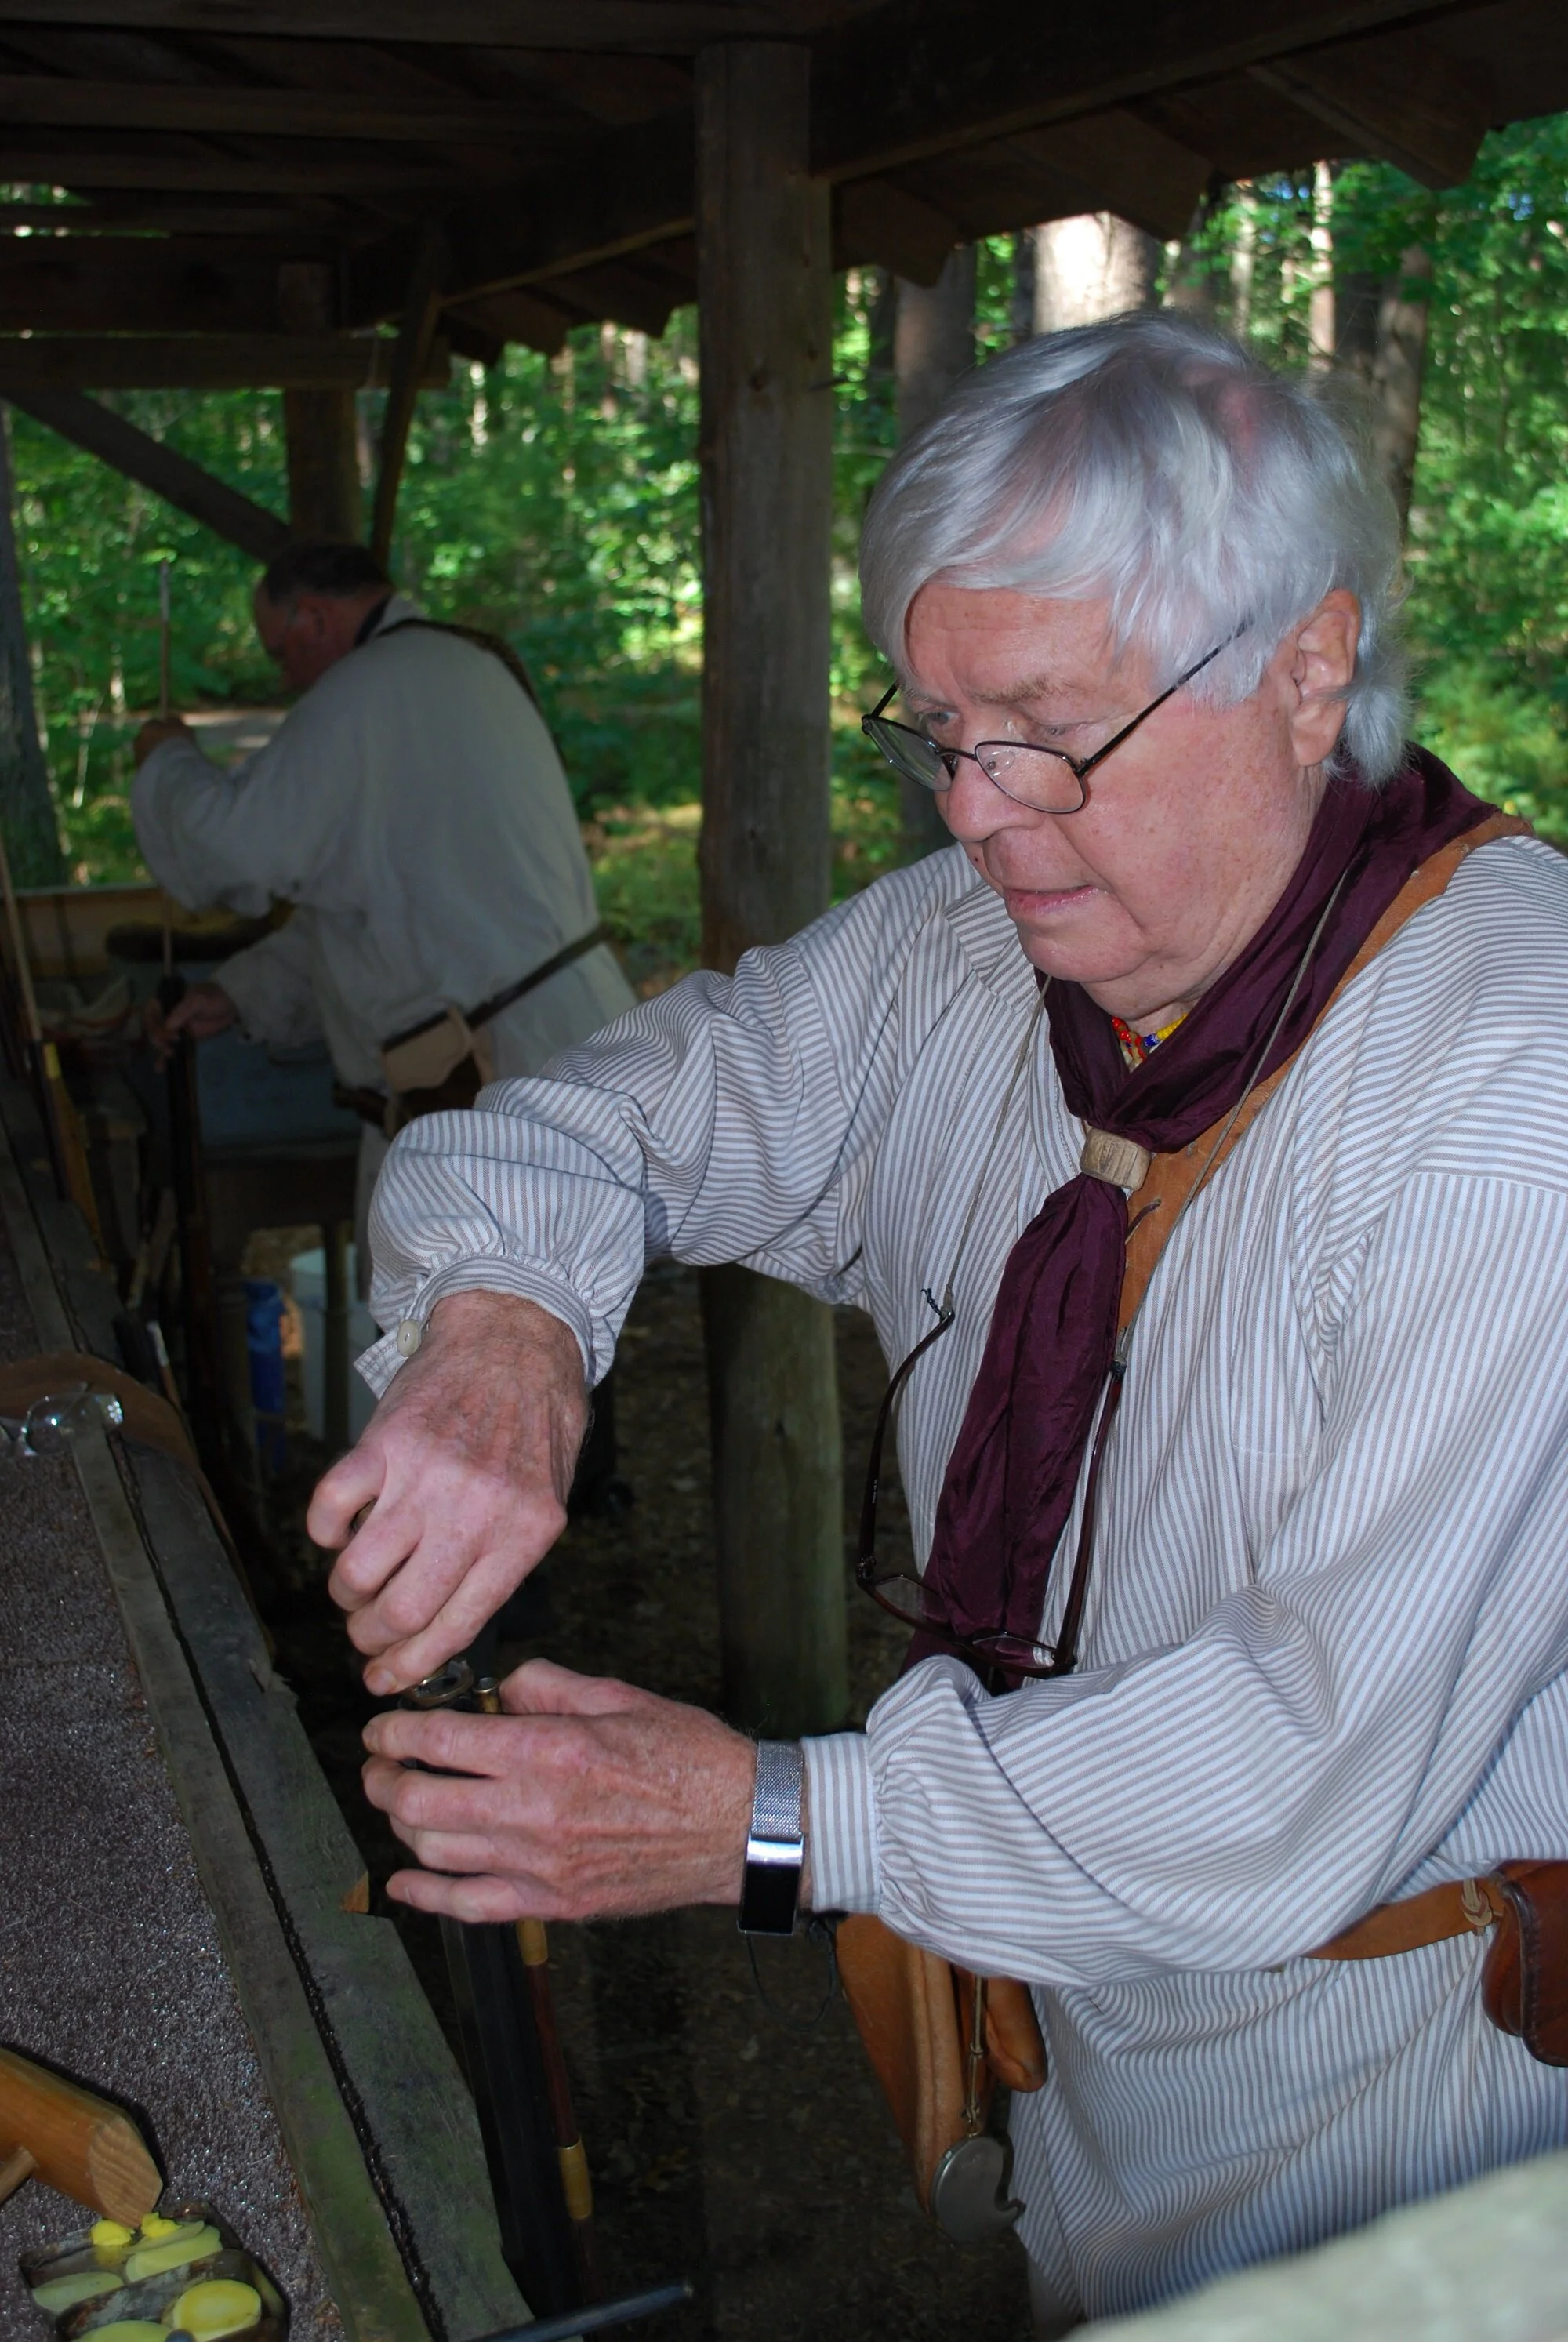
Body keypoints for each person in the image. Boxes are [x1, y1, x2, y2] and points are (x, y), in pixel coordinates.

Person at [309, 318, 1568, 2326]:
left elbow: (1298, 1752)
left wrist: (777, 1815)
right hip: (1064, 2031)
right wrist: (501, 1324)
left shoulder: (1514, 1078)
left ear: (1304, 664)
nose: (974, 815)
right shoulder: (962, 953)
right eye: (934, 731)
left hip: (1391, 2097)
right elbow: (600, 1117)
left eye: (1048, 730)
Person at [130, 540, 636, 1247]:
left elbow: (232, 850)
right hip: (554, 1060)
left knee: (499, 1343)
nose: (287, 681)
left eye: (281, 654)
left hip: (504, 1083)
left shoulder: (373, 688)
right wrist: (242, 992)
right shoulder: (457, 671)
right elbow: (383, 904)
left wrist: (167, 763)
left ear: (313, 619)